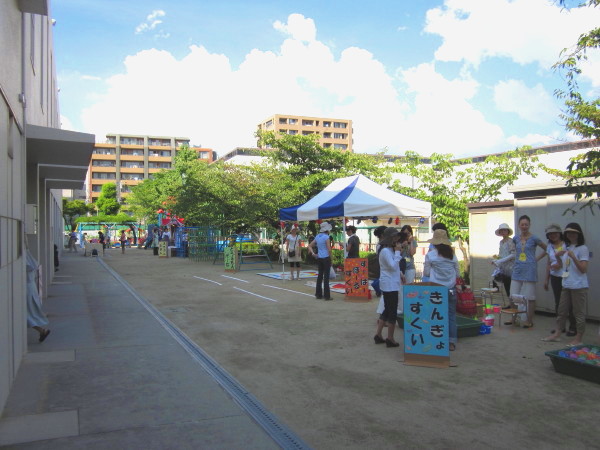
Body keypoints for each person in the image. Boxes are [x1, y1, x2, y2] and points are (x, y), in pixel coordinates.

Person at [543, 223, 589, 346]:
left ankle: (578, 338)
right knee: (561, 310)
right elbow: (564, 266)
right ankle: (557, 334)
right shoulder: (568, 247)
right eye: (568, 232)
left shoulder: (582, 248)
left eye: (573, 232)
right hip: (566, 284)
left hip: (578, 286)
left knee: (578, 313)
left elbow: (583, 269)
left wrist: (573, 257)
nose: (571, 235)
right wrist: (558, 258)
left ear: (578, 234)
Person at [507, 215, 547, 328]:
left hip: (530, 269)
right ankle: (514, 318)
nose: (524, 226)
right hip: (517, 269)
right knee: (513, 295)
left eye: (526, 224)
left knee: (530, 296)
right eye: (522, 224)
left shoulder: (534, 238)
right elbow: (514, 251)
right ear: (519, 225)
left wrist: (536, 259)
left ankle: (529, 320)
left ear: (529, 225)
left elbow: (547, 249)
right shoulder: (515, 238)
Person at [423, 229, 460, 351]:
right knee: (451, 315)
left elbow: (426, 273)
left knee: (435, 314)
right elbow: (458, 274)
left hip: (436, 288)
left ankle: (436, 340)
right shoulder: (452, 255)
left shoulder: (430, 255)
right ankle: (451, 342)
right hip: (451, 288)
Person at [373, 227, 406, 347]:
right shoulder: (386, 251)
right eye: (395, 237)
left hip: (391, 283)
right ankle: (390, 338)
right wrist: (398, 252)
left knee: (387, 310)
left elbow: (394, 267)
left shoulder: (389, 251)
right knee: (392, 312)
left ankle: (378, 334)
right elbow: (392, 266)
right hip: (389, 285)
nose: (397, 239)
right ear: (390, 238)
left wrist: (400, 273)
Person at [543, 224, 576, 336]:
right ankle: (560, 327)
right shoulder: (549, 246)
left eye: (555, 233)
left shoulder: (567, 244)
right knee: (558, 302)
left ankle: (573, 327)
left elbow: (572, 260)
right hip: (555, 276)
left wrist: (560, 264)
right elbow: (548, 263)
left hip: (567, 275)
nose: (553, 235)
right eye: (550, 234)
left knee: (570, 302)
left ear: (560, 233)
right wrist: (546, 279)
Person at [26, 249, 51, 342]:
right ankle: (41, 331)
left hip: (27, 290)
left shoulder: (26, 265)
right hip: (30, 289)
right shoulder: (31, 262)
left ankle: (42, 331)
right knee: (29, 313)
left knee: (26, 314)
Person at [308, 222, 333, 300]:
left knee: (320, 276)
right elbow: (329, 249)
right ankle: (327, 296)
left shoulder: (317, 236)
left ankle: (318, 294)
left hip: (319, 258)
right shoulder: (326, 237)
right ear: (327, 230)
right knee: (326, 277)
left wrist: (313, 253)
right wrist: (331, 259)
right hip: (326, 258)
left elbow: (309, 246)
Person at [491, 223, 515, 297]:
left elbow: (513, 254)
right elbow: (501, 254)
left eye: (505, 230)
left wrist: (500, 261)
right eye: (501, 230)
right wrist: (496, 260)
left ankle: (513, 303)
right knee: (505, 286)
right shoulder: (501, 242)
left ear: (508, 231)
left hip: (511, 267)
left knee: (511, 288)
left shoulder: (511, 241)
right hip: (503, 268)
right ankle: (509, 302)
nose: (503, 232)